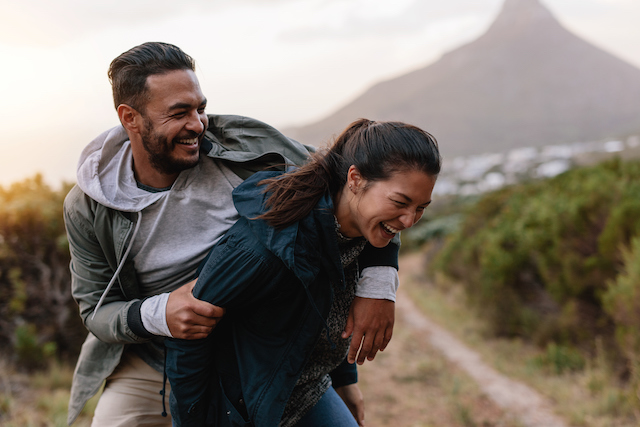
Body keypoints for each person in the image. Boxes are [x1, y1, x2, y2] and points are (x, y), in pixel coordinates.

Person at [64, 42, 401, 427]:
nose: (197, 125)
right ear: (131, 118)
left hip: (253, 355)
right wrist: (162, 313)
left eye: (200, 108)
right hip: (148, 364)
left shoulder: (250, 148)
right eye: (179, 113)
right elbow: (96, 311)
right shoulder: (89, 205)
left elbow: (357, 193)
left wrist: (378, 283)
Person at [166, 119, 441, 426]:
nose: (408, 221)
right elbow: (188, 335)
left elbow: (321, 310)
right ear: (355, 179)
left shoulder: (362, 231)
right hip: (247, 408)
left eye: (421, 208)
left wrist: (344, 380)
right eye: (400, 203)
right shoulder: (264, 249)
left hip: (308, 390)